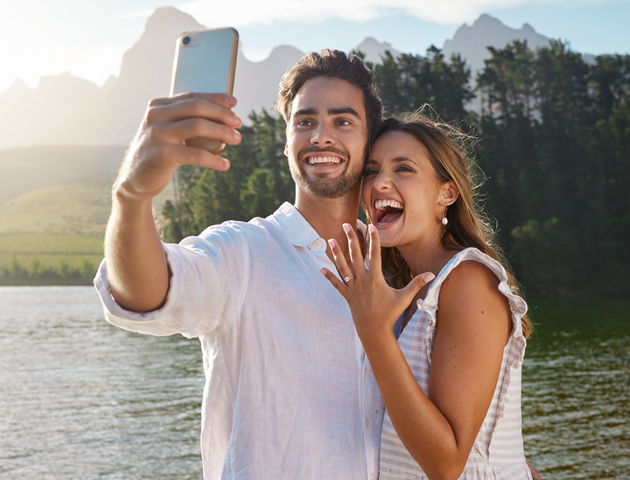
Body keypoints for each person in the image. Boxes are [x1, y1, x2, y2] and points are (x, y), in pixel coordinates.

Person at [94, 49, 386, 480]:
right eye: (305, 121)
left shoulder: (396, 266)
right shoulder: (241, 253)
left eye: (343, 121)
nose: (321, 135)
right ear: (286, 142)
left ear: (369, 141)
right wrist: (131, 196)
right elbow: (144, 292)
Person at [322, 112, 536, 480]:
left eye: (403, 169)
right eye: (371, 171)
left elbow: (446, 465)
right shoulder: (397, 288)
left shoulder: (468, 280)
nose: (380, 183)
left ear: (447, 193)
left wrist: (374, 332)